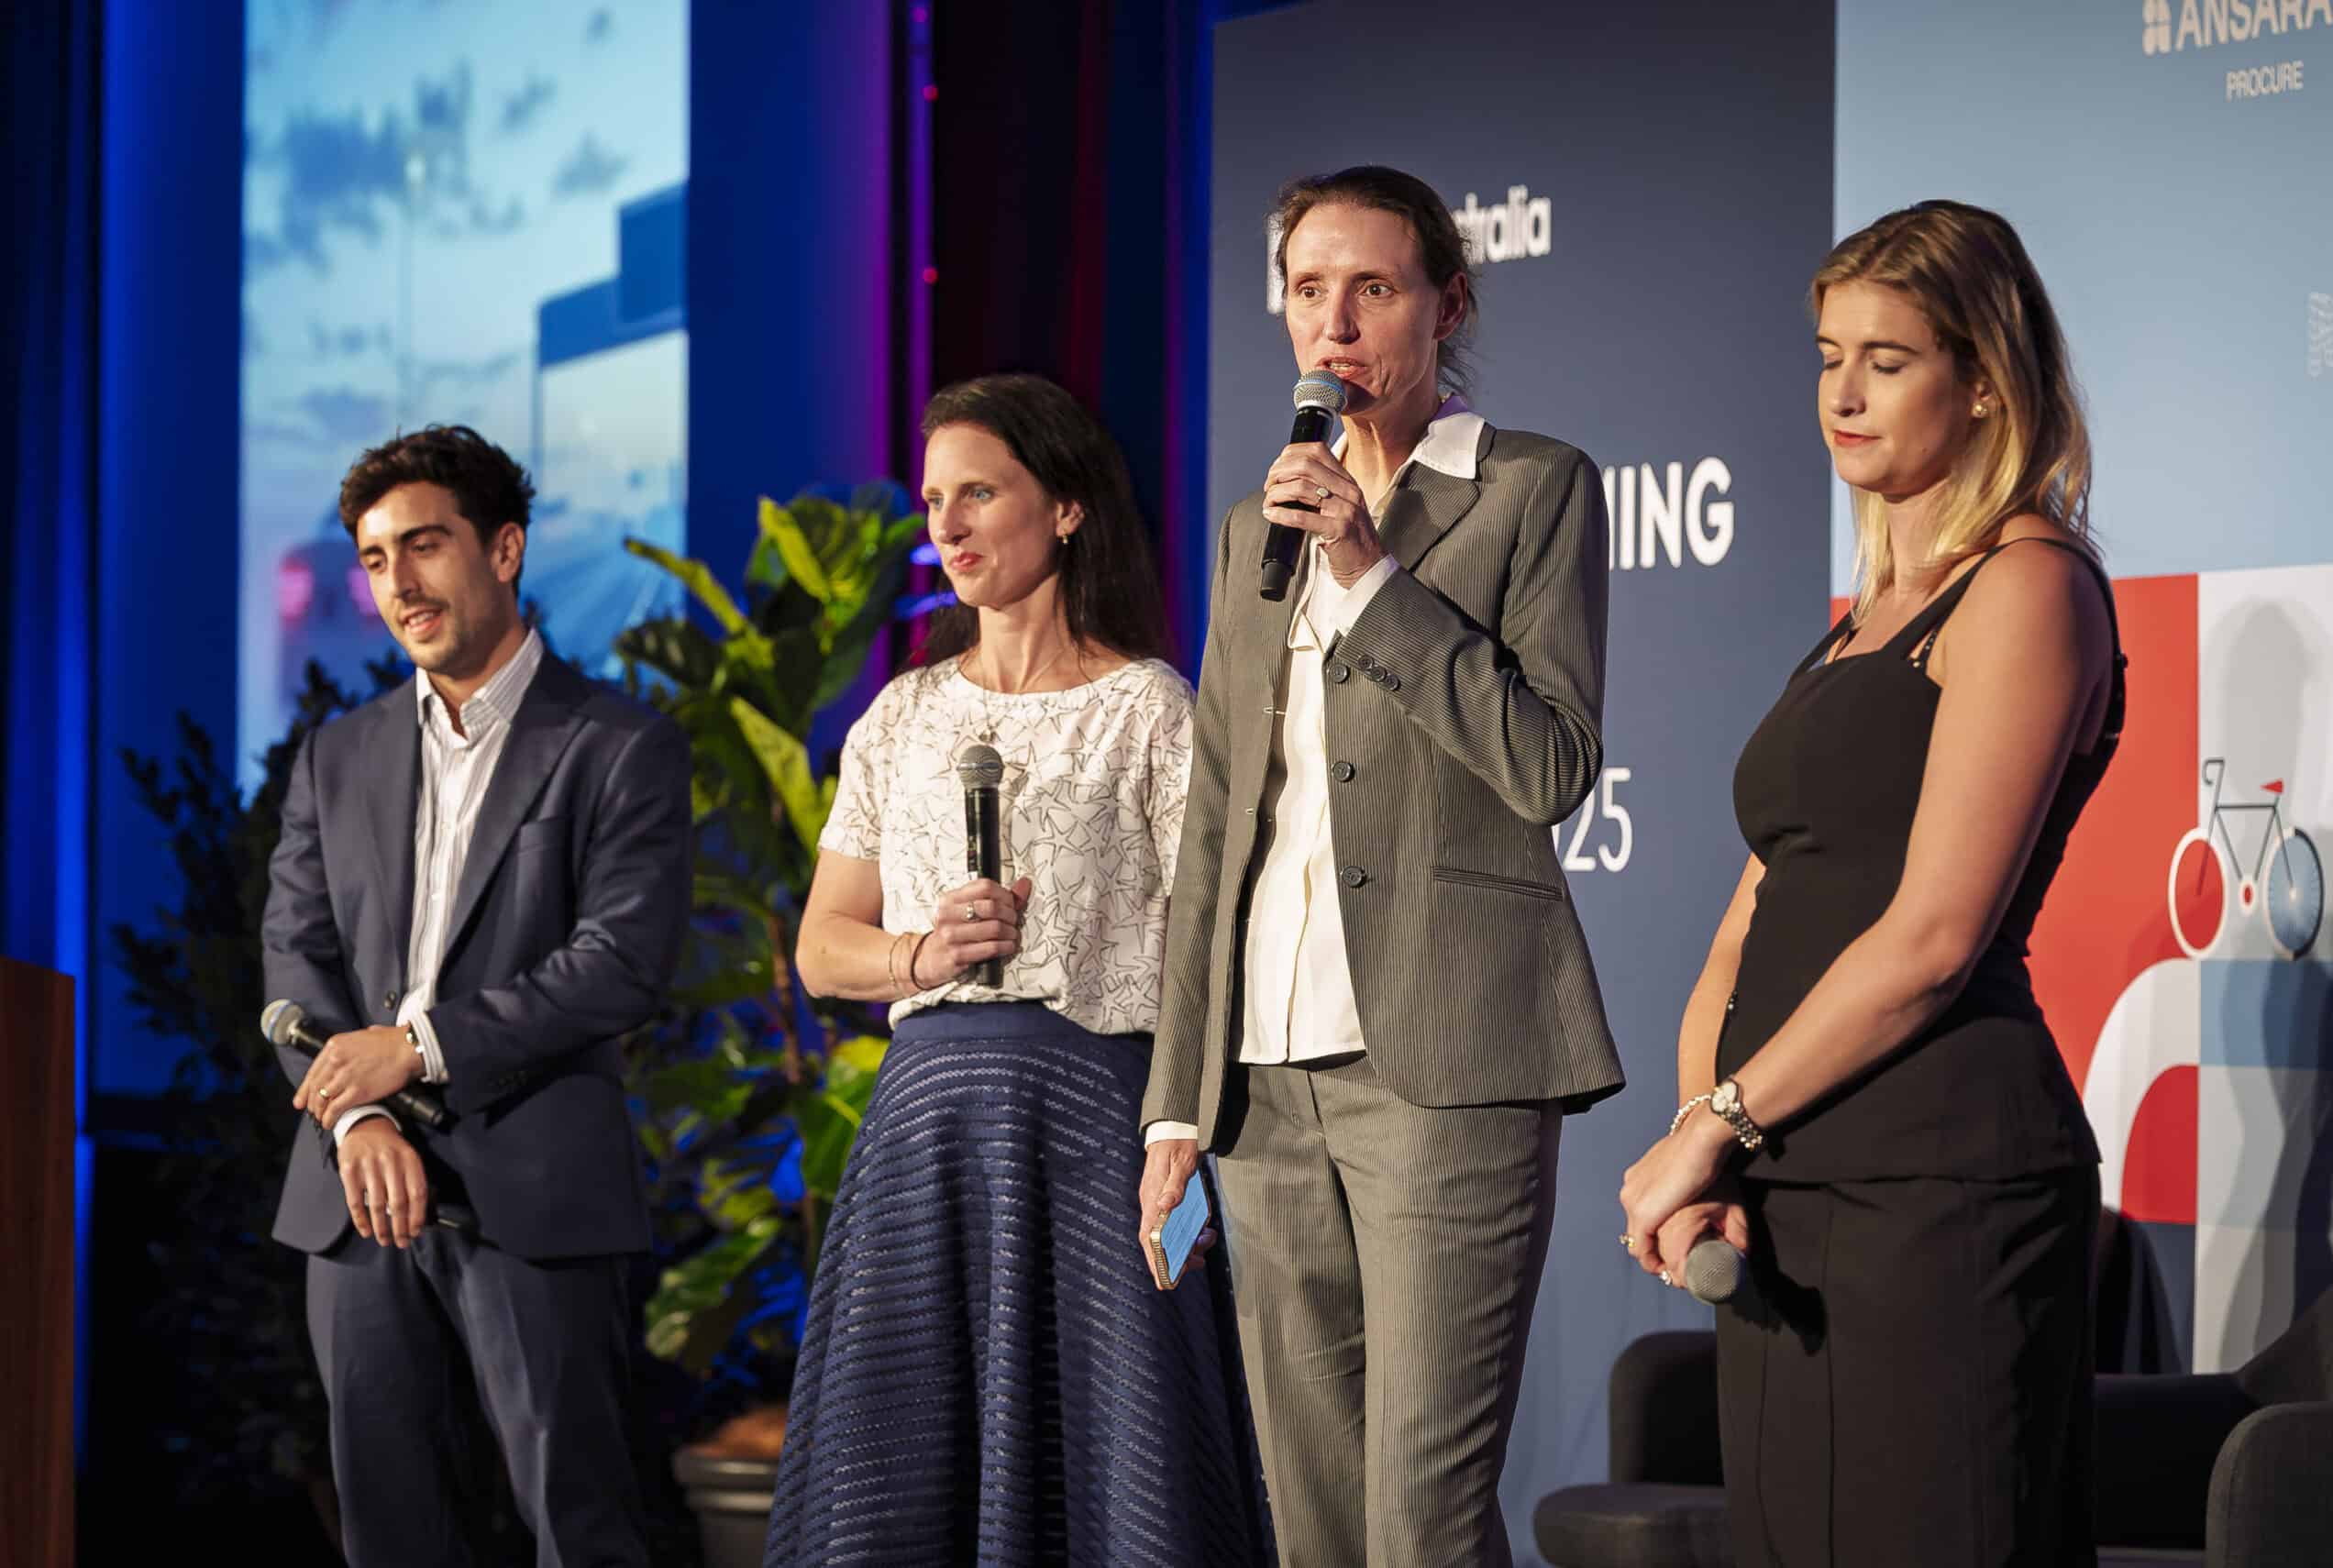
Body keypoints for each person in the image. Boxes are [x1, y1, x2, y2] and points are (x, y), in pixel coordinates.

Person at [1618, 200, 2123, 1567]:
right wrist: (1701, 1131)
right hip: (1783, 1185)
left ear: (1984, 379)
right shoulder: (1855, 629)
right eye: (1828, 356)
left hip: (1939, 1188)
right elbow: (1749, 919)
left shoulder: (2028, 587)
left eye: (1886, 361)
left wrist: (1721, 1120)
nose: (1841, 394)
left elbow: (1936, 935)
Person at [1140, 165, 1621, 1567]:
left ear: (1446, 303)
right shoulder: (1254, 528)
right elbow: (1218, 818)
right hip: (1263, 1078)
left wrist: (1370, 576)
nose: (1334, 324)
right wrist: (1178, 1096)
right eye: (1309, 290)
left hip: (1448, 1063)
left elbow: (1550, 765)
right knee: (1314, 1523)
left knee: (1421, 1519)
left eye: (1373, 288)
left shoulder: (1530, 488)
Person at [765, 373, 1271, 1567]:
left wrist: (1182, 1138)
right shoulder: (899, 717)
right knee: (904, 1479)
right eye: (934, 500)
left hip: (1095, 1129)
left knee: (1111, 1476)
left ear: (1066, 507)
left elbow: (1210, 950)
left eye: (978, 493)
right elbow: (822, 947)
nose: (946, 525)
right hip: (927, 1137)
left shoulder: (1149, 709)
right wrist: (918, 953)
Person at [261, 424, 693, 1565]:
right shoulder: (334, 757)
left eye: (424, 545)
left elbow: (620, 961)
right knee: (390, 1533)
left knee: (581, 1530)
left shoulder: (618, 744)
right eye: (374, 559)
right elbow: (294, 960)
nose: (398, 584)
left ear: (504, 549)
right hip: (356, 1197)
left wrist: (416, 1049)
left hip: (536, 1186)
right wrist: (356, 1113)